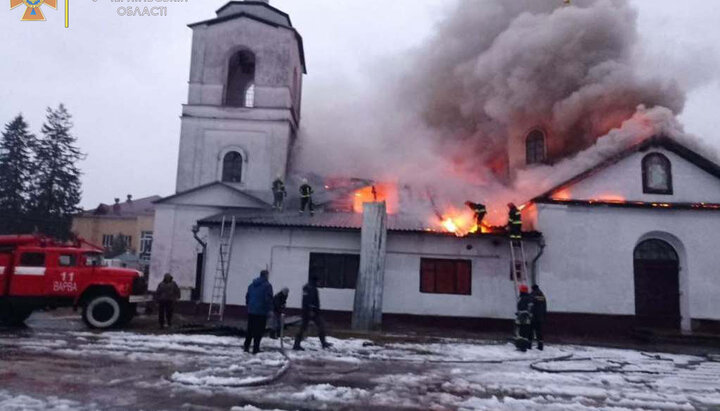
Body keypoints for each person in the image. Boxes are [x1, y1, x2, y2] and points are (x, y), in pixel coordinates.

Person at [293, 275, 331, 350]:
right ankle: (296, 344)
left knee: (319, 326)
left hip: (311, 311)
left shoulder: (310, 287)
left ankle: (323, 343)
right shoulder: (309, 288)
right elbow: (307, 300)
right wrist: (311, 310)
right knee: (305, 327)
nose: (319, 283)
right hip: (310, 311)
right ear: (316, 281)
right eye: (319, 281)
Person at [244, 270, 273, 354]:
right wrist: (270, 309)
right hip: (261, 311)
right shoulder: (267, 286)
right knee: (259, 330)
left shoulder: (251, 285)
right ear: (266, 275)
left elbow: (247, 296)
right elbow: (268, 298)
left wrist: (248, 306)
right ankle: (255, 348)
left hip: (251, 310)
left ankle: (246, 346)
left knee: (250, 329)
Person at [515, 284, 534, 352]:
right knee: (522, 332)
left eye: (520, 290)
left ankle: (523, 347)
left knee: (522, 332)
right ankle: (521, 346)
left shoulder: (525, 298)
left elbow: (530, 308)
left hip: (524, 317)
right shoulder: (526, 298)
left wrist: (525, 313)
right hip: (524, 318)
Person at [530, 284, 547, 350]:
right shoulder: (542, 295)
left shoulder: (532, 295)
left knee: (530, 331)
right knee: (539, 331)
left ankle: (529, 345)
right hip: (540, 317)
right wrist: (544, 316)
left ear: (533, 288)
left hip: (533, 317)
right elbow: (545, 306)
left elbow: (530, 305)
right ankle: (540, 346)